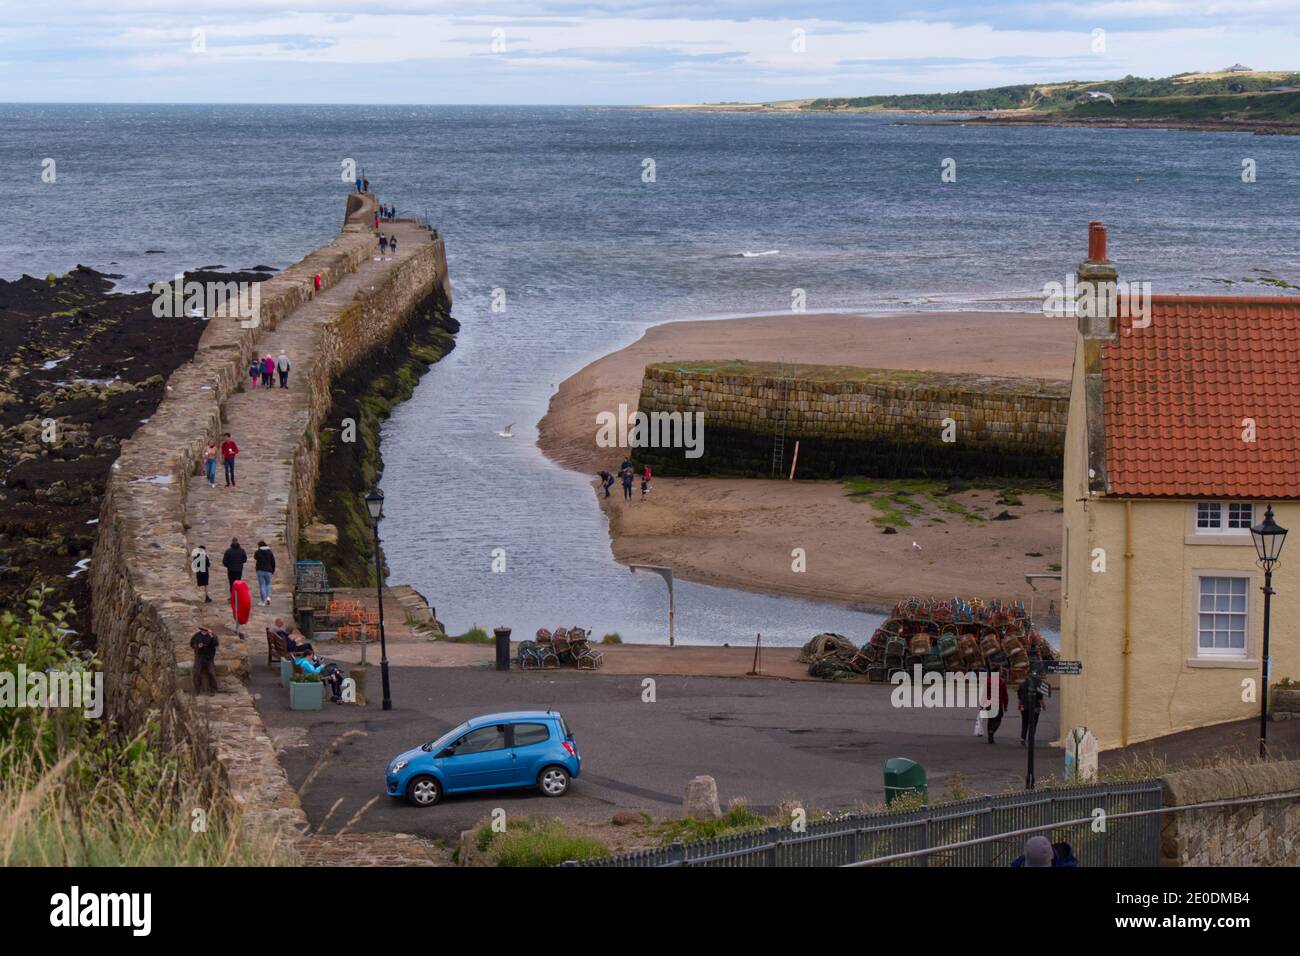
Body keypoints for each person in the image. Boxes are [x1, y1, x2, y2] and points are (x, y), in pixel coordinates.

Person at [982, 665, 1009, 745]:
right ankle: (992, 731)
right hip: (998, 703)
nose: (1001, 672)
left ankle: (990, 736)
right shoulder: (1001, 682)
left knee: (990, 720)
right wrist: (1005, 705)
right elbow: (1005, 695)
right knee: (998, 720)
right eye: (1000, 671)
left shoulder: (988, 681)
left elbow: (984, 693)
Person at [1019, 674, 1047, 746]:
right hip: (1035, 707)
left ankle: (1023, 738)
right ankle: (1030, 738)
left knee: (1024, 722)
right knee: (1033, 724)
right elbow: (1040, 697)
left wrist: (1020, 705)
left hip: (1023, 706)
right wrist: (1043, 705)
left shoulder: (1022, 684)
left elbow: (1020, 696)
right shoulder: (1036, 684)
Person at [190, 626, 219, 695]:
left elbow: (216, 644)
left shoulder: (213, 636)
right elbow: (192, 644)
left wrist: (212, 636)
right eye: (202, 630)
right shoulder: (197, 636)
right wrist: (197, 646)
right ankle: (196, 690)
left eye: (205, 630)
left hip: (209, 658)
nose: (203, 631)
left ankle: (213, 689)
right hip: (199, 657)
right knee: (197, 672)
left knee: (211, 672)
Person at [254, 540, 276, 605]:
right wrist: (273, 570)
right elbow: (273, 561)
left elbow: (255, 557)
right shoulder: (270, 552)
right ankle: (268, 598)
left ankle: (263, 601)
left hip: (260, 570)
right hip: (268, 570)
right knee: (268, 584)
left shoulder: (258, 552)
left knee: (261, 586)